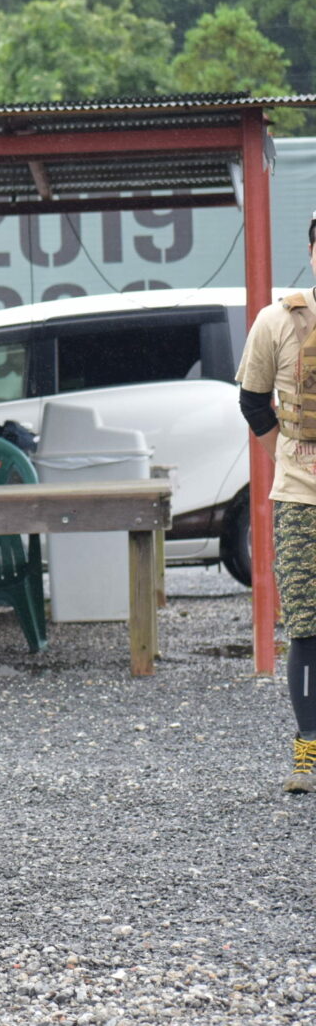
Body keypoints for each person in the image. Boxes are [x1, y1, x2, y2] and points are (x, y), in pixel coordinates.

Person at [238, 211, 316, 792]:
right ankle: (308, 756)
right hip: (300, 500)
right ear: (312, 253)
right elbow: (253, 401)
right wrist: (289, 457)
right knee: (307, 630)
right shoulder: (277, 320)